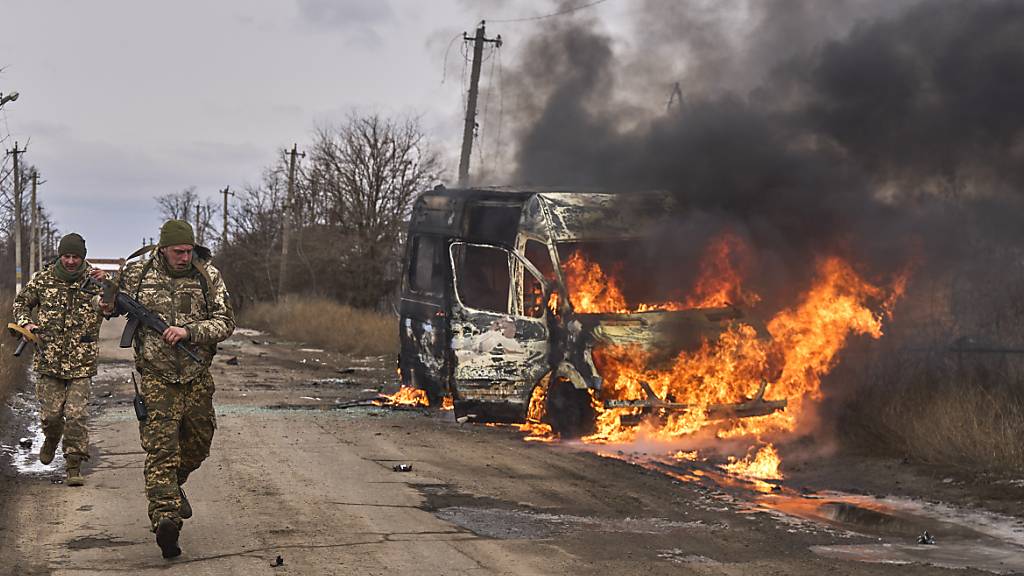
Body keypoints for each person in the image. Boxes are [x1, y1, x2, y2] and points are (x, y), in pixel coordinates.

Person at [112, 220, 234, 558]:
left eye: (188, 250)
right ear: (163, 248)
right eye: (178, 251)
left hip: (196, 375)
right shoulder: (136, 273)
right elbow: (108, 306)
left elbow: (226, 322)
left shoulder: (207, 276)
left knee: (198, 445)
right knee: (162, 450)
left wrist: (189, 331)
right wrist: (107, 302)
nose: (184, 256)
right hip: (156, 377)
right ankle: (166, 520)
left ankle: (169, 487)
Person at [12, 233, 106, 486]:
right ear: (60, 255)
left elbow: (115, 305)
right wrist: (26, 323)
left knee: (76, 415)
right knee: (51, 416)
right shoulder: (43, 280)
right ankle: (52, 438)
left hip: (81, 362)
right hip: (48, 359)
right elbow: (21, 303)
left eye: (76, 257)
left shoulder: (96, 282)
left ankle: (73, 466)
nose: (72, 261)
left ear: (83, 257)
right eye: (67, 256)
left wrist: (110, 285)